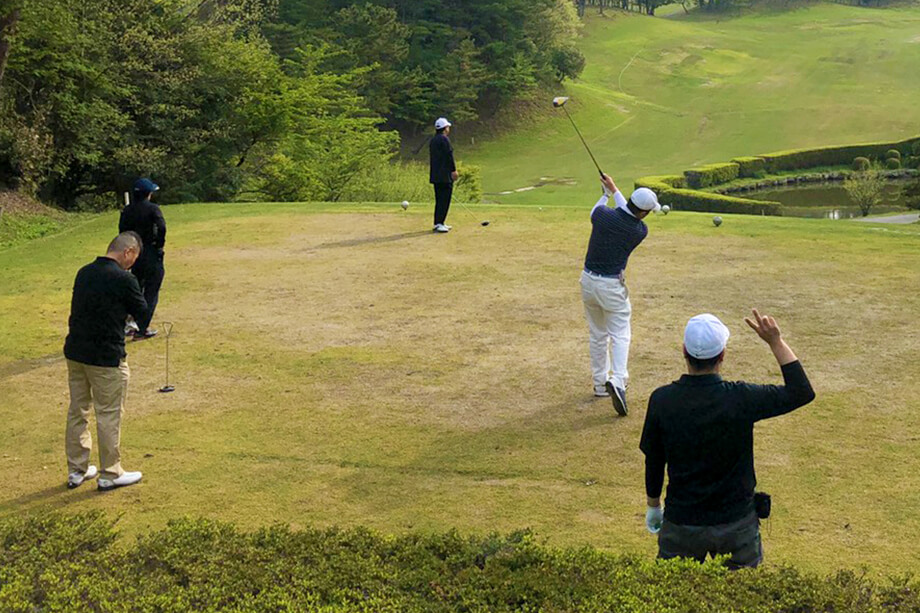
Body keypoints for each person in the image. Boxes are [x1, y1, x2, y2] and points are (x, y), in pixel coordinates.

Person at [639, 310, 816, 569]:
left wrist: (654, 506)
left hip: (682, 521)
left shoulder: (662, 400)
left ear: (683, 351)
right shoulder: (740, 398)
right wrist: (775, 342)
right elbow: (801, 392)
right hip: (736, 523)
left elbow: (654, 460)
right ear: (722, 355)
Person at [64, 232, 148, 491]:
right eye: (133, 258)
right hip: (105, 356)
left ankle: (77, 470)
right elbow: (142, 312)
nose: (133, 263)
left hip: (76, 352)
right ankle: (110, 473)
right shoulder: (124, 278)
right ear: (128, 252)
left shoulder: (84, 272)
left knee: (78, 410)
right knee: (108, 414)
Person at [581, 173, 660, 415]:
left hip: (587, 281)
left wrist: (607, 193)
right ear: (644, 213)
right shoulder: (639, 230)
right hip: (611, 287)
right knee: (620, 334)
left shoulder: (602, 216)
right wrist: (614, 191)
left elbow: (600, 209)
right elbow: (627, 212)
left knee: (598, 334)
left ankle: (599, 383)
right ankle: (618, 380)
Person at [119, 177, 166, 339]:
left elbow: (122, 232)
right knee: (151, 292)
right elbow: (162, 227)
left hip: (134, 253)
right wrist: (159, 244)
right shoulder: (153, 209)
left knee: (136, 289)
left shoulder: (127, 210)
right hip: (151, 252)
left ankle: (129, 323)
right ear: (149, 194)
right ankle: (141, 328)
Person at [429, 117, 458, 233]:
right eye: (448, 127)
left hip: (436, 175)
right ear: (445, 128)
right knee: (444, 200)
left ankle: (438, 222)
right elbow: (449, 156)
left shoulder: (433, 140)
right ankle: (440, 223)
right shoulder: (444, 140)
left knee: (439, 199)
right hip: (444, 176)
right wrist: (453, 170)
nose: (448, 129)